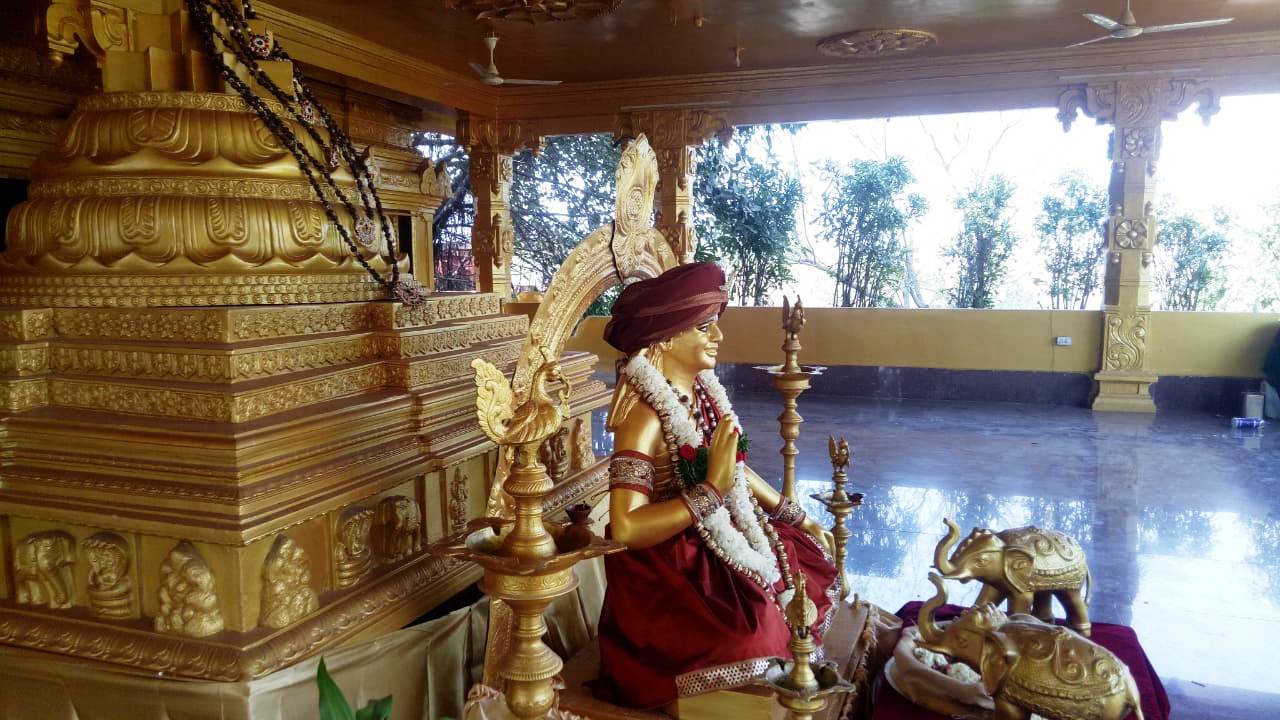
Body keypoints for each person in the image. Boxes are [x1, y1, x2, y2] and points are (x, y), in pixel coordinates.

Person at [593, 262, 840, 710]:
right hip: (665, 564)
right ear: (665, 338)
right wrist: (710, 492)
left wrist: (797, 515)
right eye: (705, 327)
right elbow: (626, 528)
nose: (719, 337)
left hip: (716, 525)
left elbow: (735, 472)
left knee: (804, 563)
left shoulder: (704, 396)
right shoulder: (644, 419)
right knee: (753, 623)